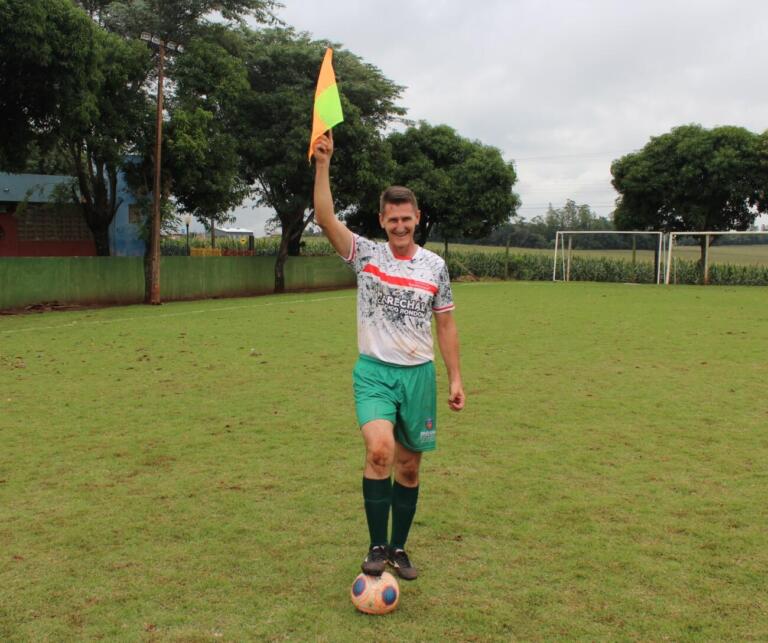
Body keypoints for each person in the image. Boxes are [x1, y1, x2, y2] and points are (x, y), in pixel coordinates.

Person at [312, 131, 465, 581]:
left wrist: (455, 378)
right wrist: (323, 163)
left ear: (417, 218)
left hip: (419, 375)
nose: (399, 226)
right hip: (375, 373)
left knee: (410, 467)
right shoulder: (367, 255)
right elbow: (324, 218)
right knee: (379, 451)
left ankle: (399, 549)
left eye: (406, 219)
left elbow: (447, 324)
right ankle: (377, 546)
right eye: (392, 219)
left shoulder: (435, 266)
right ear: (381, 220)